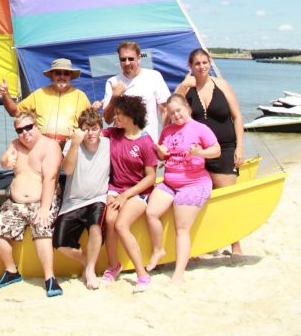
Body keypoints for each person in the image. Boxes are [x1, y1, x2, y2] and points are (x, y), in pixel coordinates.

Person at [175, 47, 245, 254]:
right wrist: (182, 86)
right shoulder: (186, 89)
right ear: (190, 66)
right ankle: (207, 242)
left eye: (205, 62)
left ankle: (235, 243)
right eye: (197, 63)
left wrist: (240, 147)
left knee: (227, 198)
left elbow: (237, 116)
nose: (201, 67)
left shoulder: (221, 84)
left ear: (209, 63)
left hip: (225, 149)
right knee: (199, 200)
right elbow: (170, 115)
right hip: (197, 152)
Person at [0, 111, 64, 297]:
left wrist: (44, 208)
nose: (25, 133)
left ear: (36, 126)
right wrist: (6, 160)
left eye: (28, 127)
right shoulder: (15, 144)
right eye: (20, 130)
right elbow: (4, 162)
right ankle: (11, 271)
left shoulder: (50, 146)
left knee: (42, 226)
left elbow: (50, 179)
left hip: (42, 200)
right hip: (16, 203)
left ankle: (50, 278)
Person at [145, 93, 220, 284]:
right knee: (151, 213)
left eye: (178, 111)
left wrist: (200, 152)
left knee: (181, 228)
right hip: (170, 182)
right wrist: (160, 154)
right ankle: (158, 250)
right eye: (172, 113)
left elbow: (216, 150)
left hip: (194, 183)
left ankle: (178, 273)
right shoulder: (167, 130)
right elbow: (164, 155)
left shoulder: (200, 128)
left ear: (187, 107)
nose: (176, 115)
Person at [102, 95, 157, 292]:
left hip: (138, 192)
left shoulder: (145, 142)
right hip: (115, 188)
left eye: (119, 114)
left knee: (121, 224)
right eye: (115, 114)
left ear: (132, 116)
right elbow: (92, 131)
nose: (114, 118)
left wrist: (126, 195)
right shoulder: (113, 134)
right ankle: (113, 265)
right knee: (109, 221)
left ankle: (142, 274)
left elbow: (151, 177)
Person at [52, 107, 110, 289]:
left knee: (95, 227)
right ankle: (85, 260)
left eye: (94, 129)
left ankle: (90, 270)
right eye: (86, 129)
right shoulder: (72, 144)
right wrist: (75, 143)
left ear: (100, 129)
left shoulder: (108, 144)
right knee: (59, 243)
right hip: (72, 201)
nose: (90, 133)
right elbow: (68, 169)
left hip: (97, 198)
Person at [0, 58, 91, 142]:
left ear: (70, 76)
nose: (62, 76)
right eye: (58, 73)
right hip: (43, 146)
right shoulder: (38, 94)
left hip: (70, 147)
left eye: (66, 73)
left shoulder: (81, 96)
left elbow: (91, 123)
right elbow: (14, 112)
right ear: (52, 76)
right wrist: (5, 94)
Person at [102, 41, 169, 141]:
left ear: (139, 58)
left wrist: (165, 139)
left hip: (149, 142)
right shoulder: (112, 82)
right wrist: (114, 97)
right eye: (123, 59)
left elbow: (165, 110)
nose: (127, 63)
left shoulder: (154, 76)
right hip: (122, 145)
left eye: (131, 59)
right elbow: (107, 120)